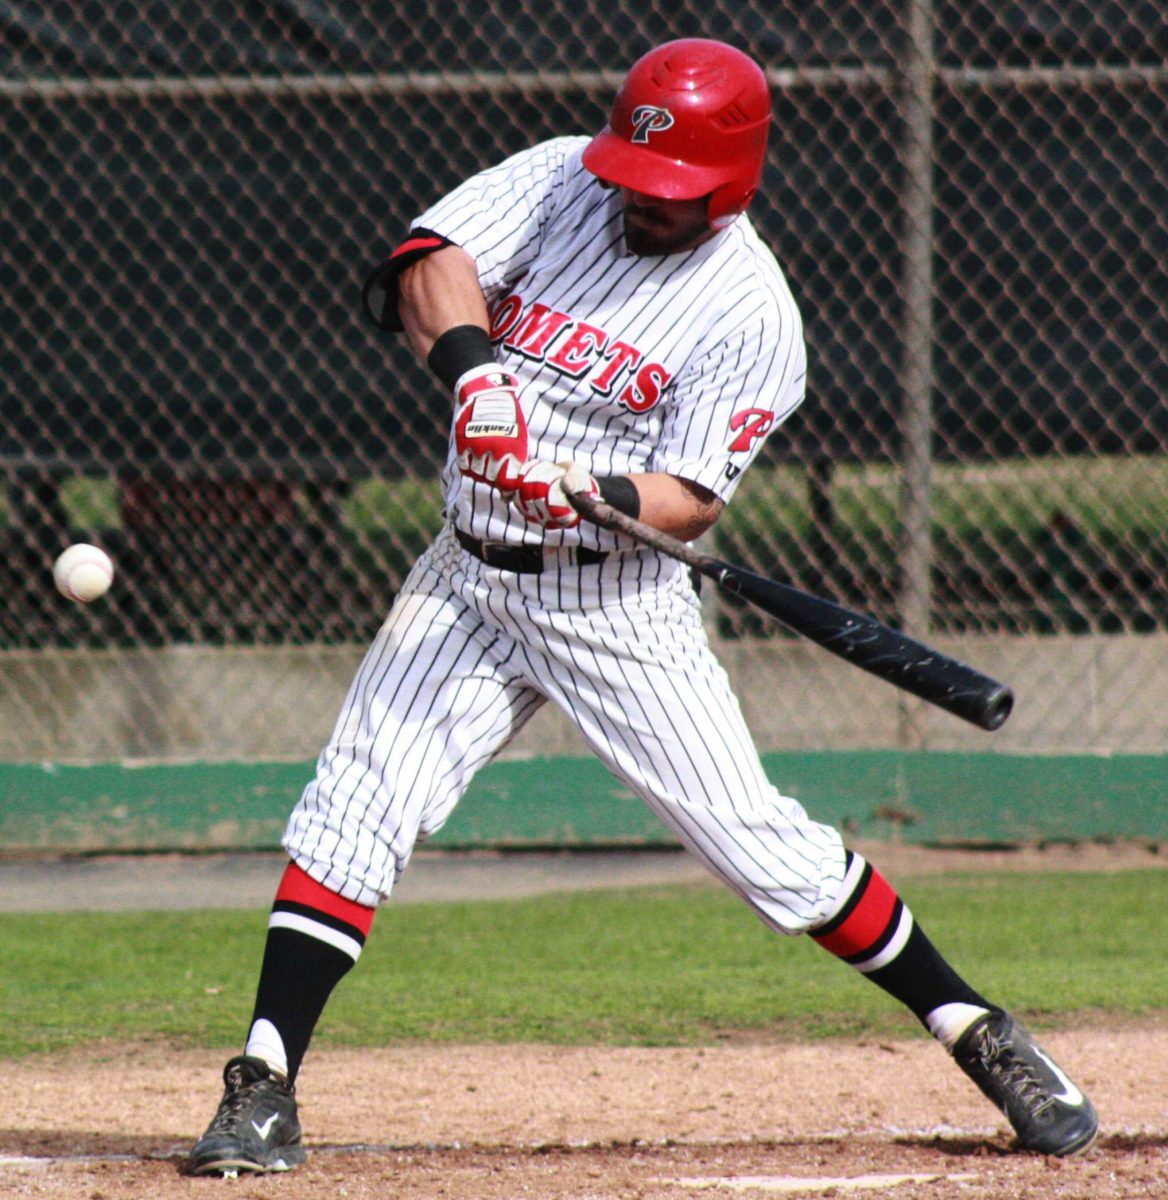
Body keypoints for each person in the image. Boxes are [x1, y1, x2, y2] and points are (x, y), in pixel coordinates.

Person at [183, 38, 1098, 1176]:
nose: (639, 205)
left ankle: (977, 1029)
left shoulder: (751, 312)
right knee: (354, 808)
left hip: (612, 604)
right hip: (464, 579)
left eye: (671, 199)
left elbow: (690, 500)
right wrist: (477, 380)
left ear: (733, 187)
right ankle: (263, 1084)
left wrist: (586, 490)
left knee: (770, 853)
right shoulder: (570, 173)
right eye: (635, 179)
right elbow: (429, 259)